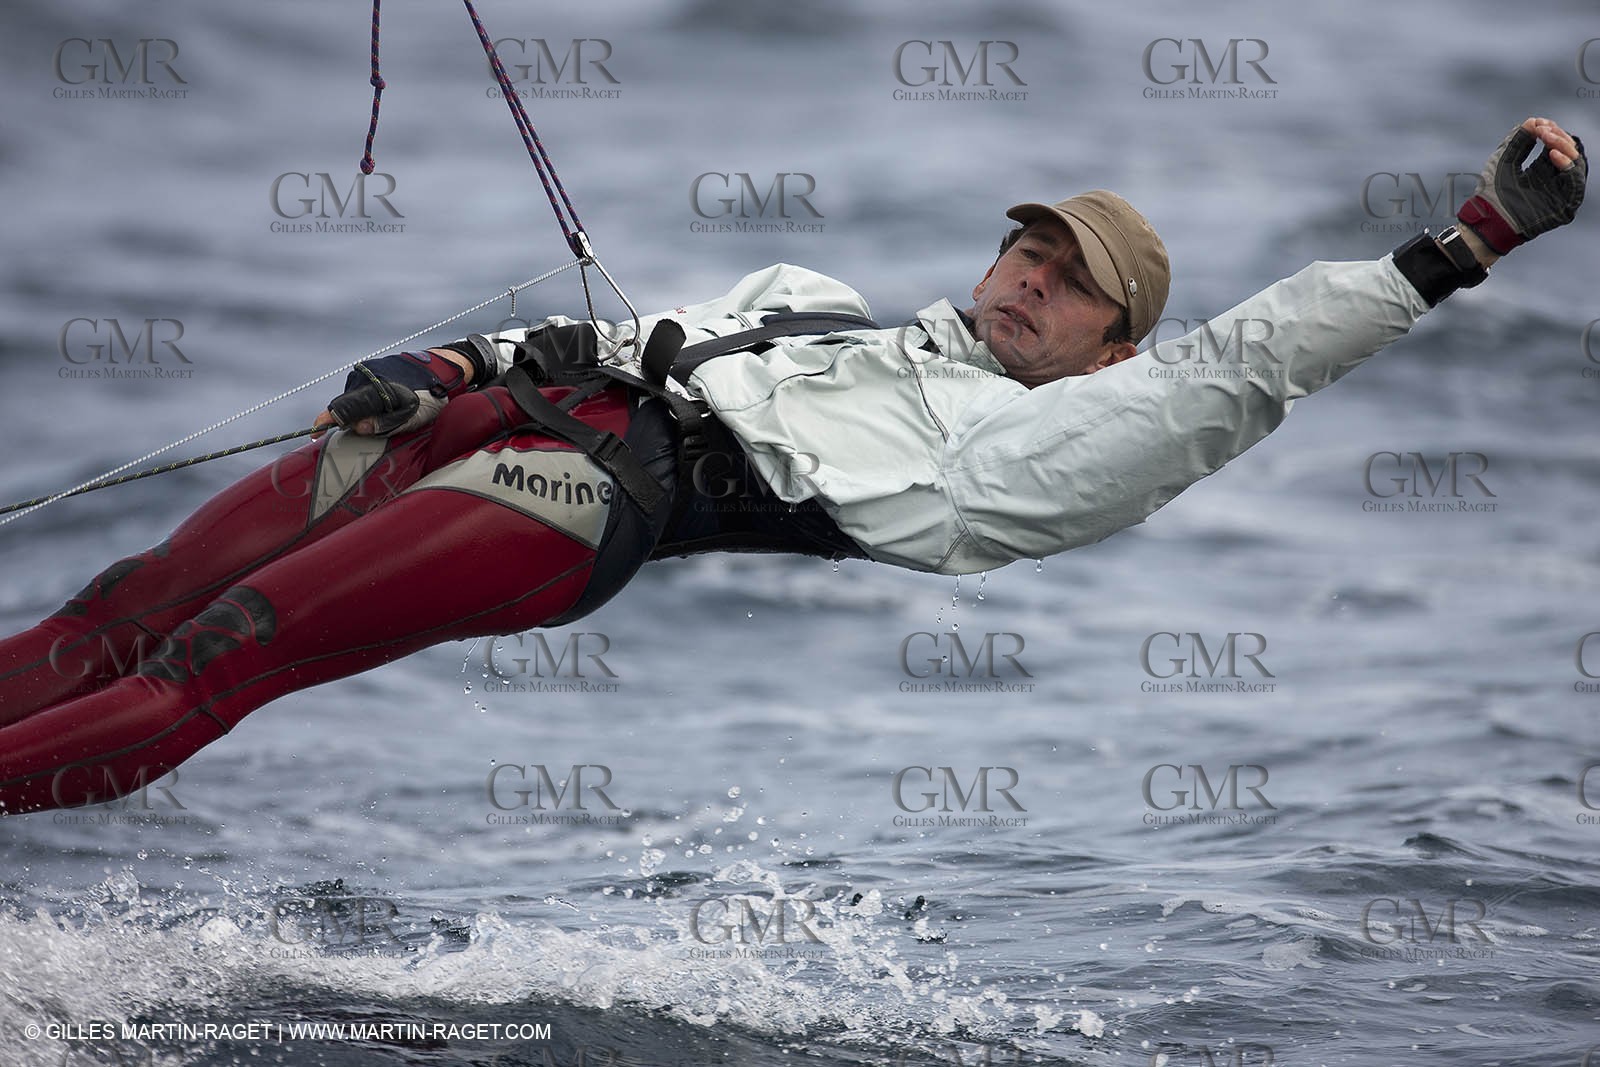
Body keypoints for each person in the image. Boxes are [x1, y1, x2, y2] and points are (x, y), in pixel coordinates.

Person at [0, 118, 1583, 815]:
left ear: (1113, 351)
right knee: (129, 596)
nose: (1030, 274)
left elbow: (1247, 364)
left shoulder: (1034, 446)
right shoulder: (812, 302)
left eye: (1071, 278)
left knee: (218, 658)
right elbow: (624, 336)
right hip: (499, 428)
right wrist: (461, 366)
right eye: (1026, 245)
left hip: (583, 506)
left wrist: (1467, 242)